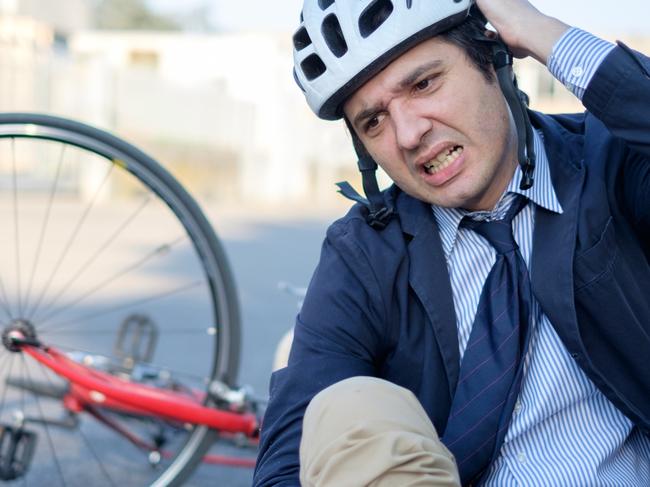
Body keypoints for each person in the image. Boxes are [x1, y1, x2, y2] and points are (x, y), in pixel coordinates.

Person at [254, 0, 650, 485]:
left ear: (492, 58)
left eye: (423, 84)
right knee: (342, 408)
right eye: (374, 121)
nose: (409, 133)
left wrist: (543, 32)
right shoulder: (364, 252)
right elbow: (288, 459)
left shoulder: (609, 161)